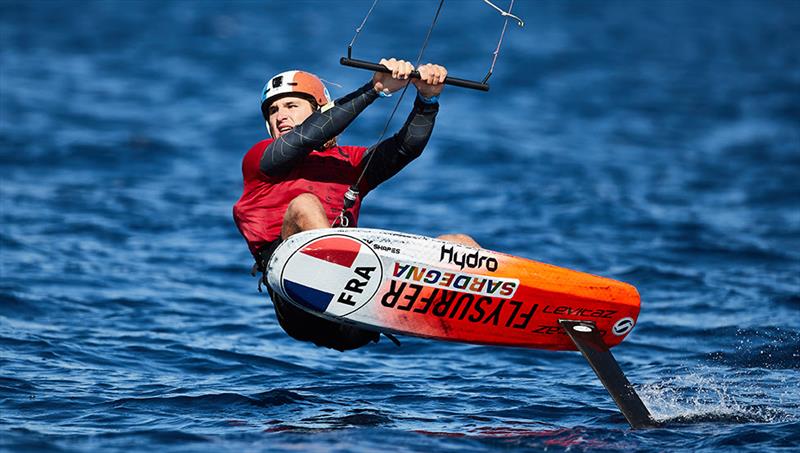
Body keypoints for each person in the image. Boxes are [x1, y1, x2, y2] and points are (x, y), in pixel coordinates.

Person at [233, 58, 479, 351]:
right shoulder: (260, 160)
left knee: (459, 245)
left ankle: (496, 309)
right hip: (299, 300)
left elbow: (406, 147)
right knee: (304, 205)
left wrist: (427, 99)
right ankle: (338, 277)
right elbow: (306, 138)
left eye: (291, 106)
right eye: (273, 110)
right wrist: (375, 89)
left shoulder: (351, 162)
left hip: (358, 309)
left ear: (319, 109)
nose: (280, 116)